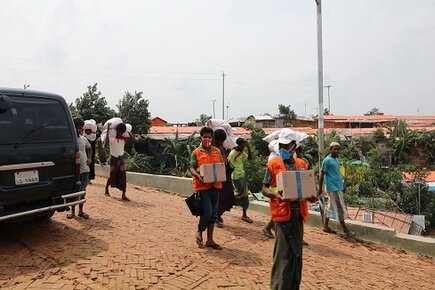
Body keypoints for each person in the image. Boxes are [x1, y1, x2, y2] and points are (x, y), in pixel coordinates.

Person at [261, 134, 315, 290]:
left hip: (298, 215)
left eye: (287, 146)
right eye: (282, 146)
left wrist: (312, 197)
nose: (284, 149)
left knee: (296, 254)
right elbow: (264, 189)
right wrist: (275, 194)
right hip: (282, 215)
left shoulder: (302, 164)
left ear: (293, 145)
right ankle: (279, 286)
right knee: (283, 255)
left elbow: (310, 191)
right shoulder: (273, 164)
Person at [189, 127, 223, 250]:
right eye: (205, 137)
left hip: (216, 186)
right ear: (201, 138)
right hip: (203, 187)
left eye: (209, 137)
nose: (207, 139)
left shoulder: (217, 151)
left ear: (212, 138)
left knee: (214, 214)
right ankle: (199, 230)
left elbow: (220, 166)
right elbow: (192, 167)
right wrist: (198, 175)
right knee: (207, 212)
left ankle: (210, 240)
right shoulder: (196, 152)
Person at [318, 142, 356, 239]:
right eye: (334, 149)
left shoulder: (336, 160)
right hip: (333, 187)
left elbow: (338, 174)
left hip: (338, 186)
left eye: (338, 149)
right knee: (339, 208)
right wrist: (319, 188)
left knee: (330, 207)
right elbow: (322, 175)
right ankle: (346, 231)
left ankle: (326, 226)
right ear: (330, 149)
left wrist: (343, 185)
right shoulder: (327, 160)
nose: (336, 151)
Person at [67, 118, 91, 219]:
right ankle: (72, 212)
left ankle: (80, 211)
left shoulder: (83, 139)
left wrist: (89, 158)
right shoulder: (70, 140)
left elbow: (89, 148)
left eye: (81, 128)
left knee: (83, 191)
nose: (80, 130)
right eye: (78, 128)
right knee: (74, 192)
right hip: (75, 171)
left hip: (85, 170)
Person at [213, 129, 235, 228]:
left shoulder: (222, 147)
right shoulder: (212, 149)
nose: (221, 142)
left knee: (228, 195)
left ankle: (218, 214)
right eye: (219, 140)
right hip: (216, 176)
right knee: (219, 197)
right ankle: (215, 217)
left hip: (225, 175)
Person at [104, 122, 132, 201]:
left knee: (123, 176)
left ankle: (123, 194)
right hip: (113, 158)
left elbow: (132, 140)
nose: (120, 133)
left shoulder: (124, 138)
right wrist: (109, 129)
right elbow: (106, 142)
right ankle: (106, 189)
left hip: (121, 158)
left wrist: (128, 131)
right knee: (112, 175)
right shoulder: (112, 137)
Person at [228, 138, 253, 223]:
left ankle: (243, 212)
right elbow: (228, 164)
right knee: (244, 195)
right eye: (242, 146)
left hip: (242, 175)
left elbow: (250, 158)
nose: (243, 148)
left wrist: (248, 147)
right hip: (236, 176)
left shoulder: (241, 152)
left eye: (244, 146)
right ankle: (230, 202)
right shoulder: (233, 153)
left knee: (244, 194)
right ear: (239, 145)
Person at [84, 119, 97, 184]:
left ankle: (89, 178)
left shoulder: (93, 136)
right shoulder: (84, 137)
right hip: (85, 152)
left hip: (91, 153)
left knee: (90, 164)